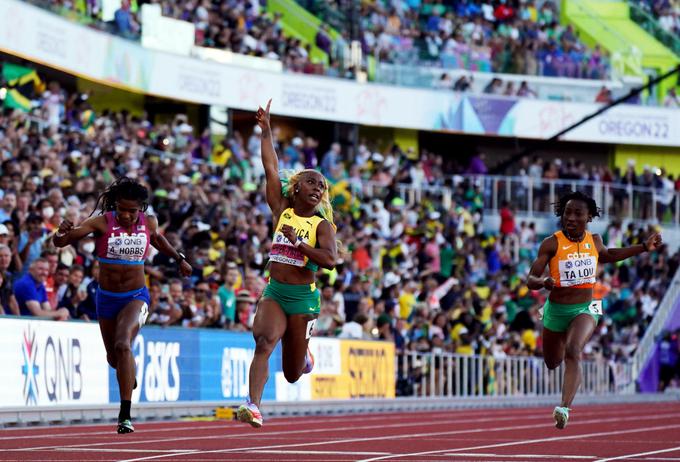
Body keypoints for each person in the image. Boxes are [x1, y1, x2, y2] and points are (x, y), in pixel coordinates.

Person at [53, 177, 192, 434]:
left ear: (141, 209)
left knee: (122, 343)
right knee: (114, 358)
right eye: (123, 210)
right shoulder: (100, 222)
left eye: (133, 211)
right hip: (106, 298)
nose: (127, 216)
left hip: (135, 296)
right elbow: (62, 243)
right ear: (115, 205)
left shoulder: (148, 222)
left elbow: (157, 239)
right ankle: (128, 375)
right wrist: (61, 232)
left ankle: (125, 415)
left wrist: (179, 259)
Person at [237, 100, 338, 428]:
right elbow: (271, 167)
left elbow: (330, 261)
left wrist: (299, 243)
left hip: (304, 299)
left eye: (321, 187)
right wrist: (265, 130)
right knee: (263, 342)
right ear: (297, 188)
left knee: (294, 373)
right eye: (312, 182)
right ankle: (252, 405)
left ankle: (306, 357)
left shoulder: (323, 226)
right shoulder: (282, 209)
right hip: (276, 292)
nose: (318, 189)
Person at [527, 191, 662, 429]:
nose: (570, 217)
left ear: (589, 217)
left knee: (573, 350)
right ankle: (563, 388)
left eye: (578, 213)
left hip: (586, 307)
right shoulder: (551, 243)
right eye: (567, 212)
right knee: (552, 362)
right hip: (556, 310)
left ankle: (564, 407)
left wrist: (643, 247)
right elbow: (531, 278)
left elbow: (610, 255)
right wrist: (543, 282)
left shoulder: (595, 241)